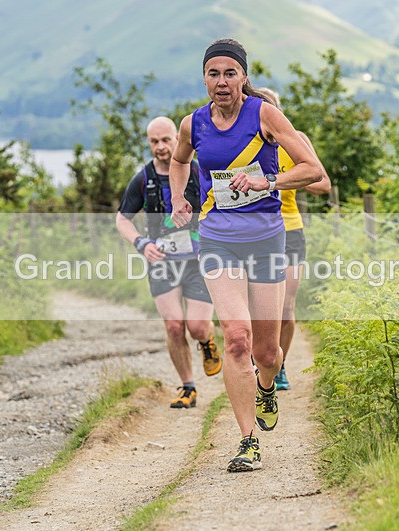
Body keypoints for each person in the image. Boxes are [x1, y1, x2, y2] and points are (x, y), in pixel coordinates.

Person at [169, 39, 324, 472]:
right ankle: (247, 441)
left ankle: (268, 386)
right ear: (204, 78)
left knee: (267, 351)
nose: (221, 82)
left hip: (267, 240)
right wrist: (180, 198)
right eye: (213, 73)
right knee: (236, 338)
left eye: (230, 73)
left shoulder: (264, 115)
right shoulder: (192, 124)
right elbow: (180, 162)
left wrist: (268, 183)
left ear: (243, 77)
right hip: (218, 239)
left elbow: (314, 170)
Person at [116, 116, 222, 409]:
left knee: (197, 326)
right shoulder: (143, 179)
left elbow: (220, 207)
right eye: (154, 142)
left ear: (178, 139)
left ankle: (206, 341)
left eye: (166, 140)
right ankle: (188, 386)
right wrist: (141, 244)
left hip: (198, 260)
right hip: (162, 261)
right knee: (174, 326)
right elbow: (122, 219)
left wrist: (214, 243)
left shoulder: (200, 172)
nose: (161, 147)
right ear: (149, 143)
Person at [251, 87, 331, 391]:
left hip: (291, 229)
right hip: (256, 231)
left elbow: (323, 183)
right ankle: (259, 364)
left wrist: (290, 179)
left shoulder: (294, 140)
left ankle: (280, 365)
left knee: (285, 305)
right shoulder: (246, 143)